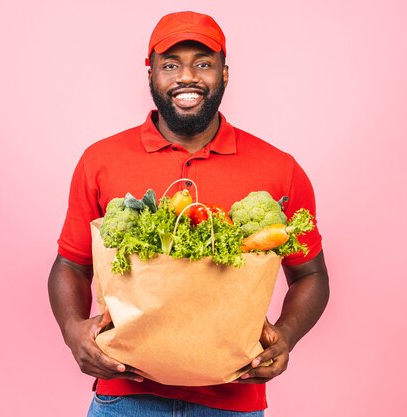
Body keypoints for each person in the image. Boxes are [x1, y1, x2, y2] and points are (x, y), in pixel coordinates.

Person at [48, 11, 330, 417]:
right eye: (170, 64)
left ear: (225, 73)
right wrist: (74, 332)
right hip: (125, 396)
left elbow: (312, 275)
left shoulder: (277, 168)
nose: (187, 76)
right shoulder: (101, 161)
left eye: (203, 63)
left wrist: (285, 336)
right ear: (150, 75)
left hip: (235, 398)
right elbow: (70, 264)